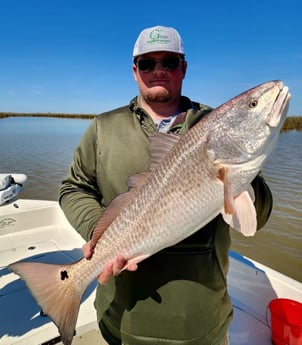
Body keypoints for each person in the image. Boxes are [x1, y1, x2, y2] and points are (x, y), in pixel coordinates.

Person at [59, 25, 273, 345]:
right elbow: (73, 188)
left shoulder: (212, 123)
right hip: (120, 319)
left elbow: (261, 213)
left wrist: (239, 178)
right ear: (135, 71)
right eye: (147, 63)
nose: (158, 70)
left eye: (169, 62)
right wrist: (100, 235)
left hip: (203, 323)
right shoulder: (103, 127)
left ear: (183, 68)